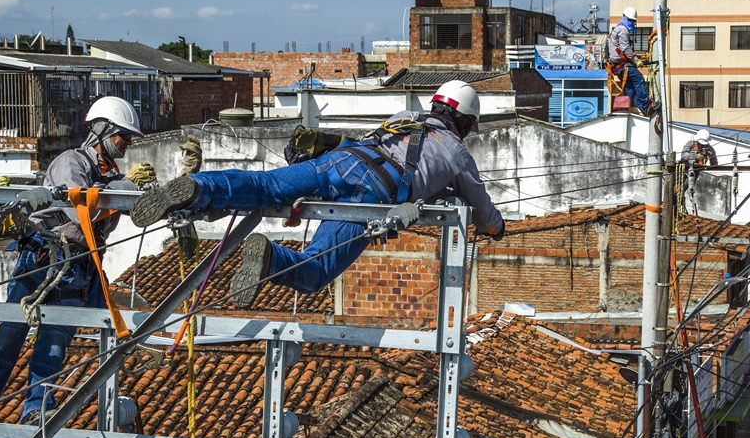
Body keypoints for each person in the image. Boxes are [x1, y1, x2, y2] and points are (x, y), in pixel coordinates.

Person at [131, 80, 506, 309]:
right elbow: (484, 209)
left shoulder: (405, 115)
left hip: (340, 159)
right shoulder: (457, 152)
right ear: (464, 122)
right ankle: (271, 258)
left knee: (265, 186)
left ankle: (199, 188)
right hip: (373, 193)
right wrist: (496, 229)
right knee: (316, 270)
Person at [0, 96, 151, 425]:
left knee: (53, 345)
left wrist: (134, 191)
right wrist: (123, 187)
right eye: (124, 134)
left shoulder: (110, 175)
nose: (128, 141)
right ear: (103, 131)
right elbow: (79, 210)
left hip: (78, 268)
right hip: (43, 259)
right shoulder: (71, 162)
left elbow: (108, 213)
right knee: (8, 338)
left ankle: (36, 409)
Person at [608, 6, 651, 114]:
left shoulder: (617, 28)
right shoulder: (623, 30)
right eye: (633, 21)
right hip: (622, 65)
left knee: (630, 87)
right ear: (628, 19)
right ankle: (646, 104)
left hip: (617, 67)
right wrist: (636, 60)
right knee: (638, 79)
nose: (633, 23)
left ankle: (644, 109)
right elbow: (625, 48)